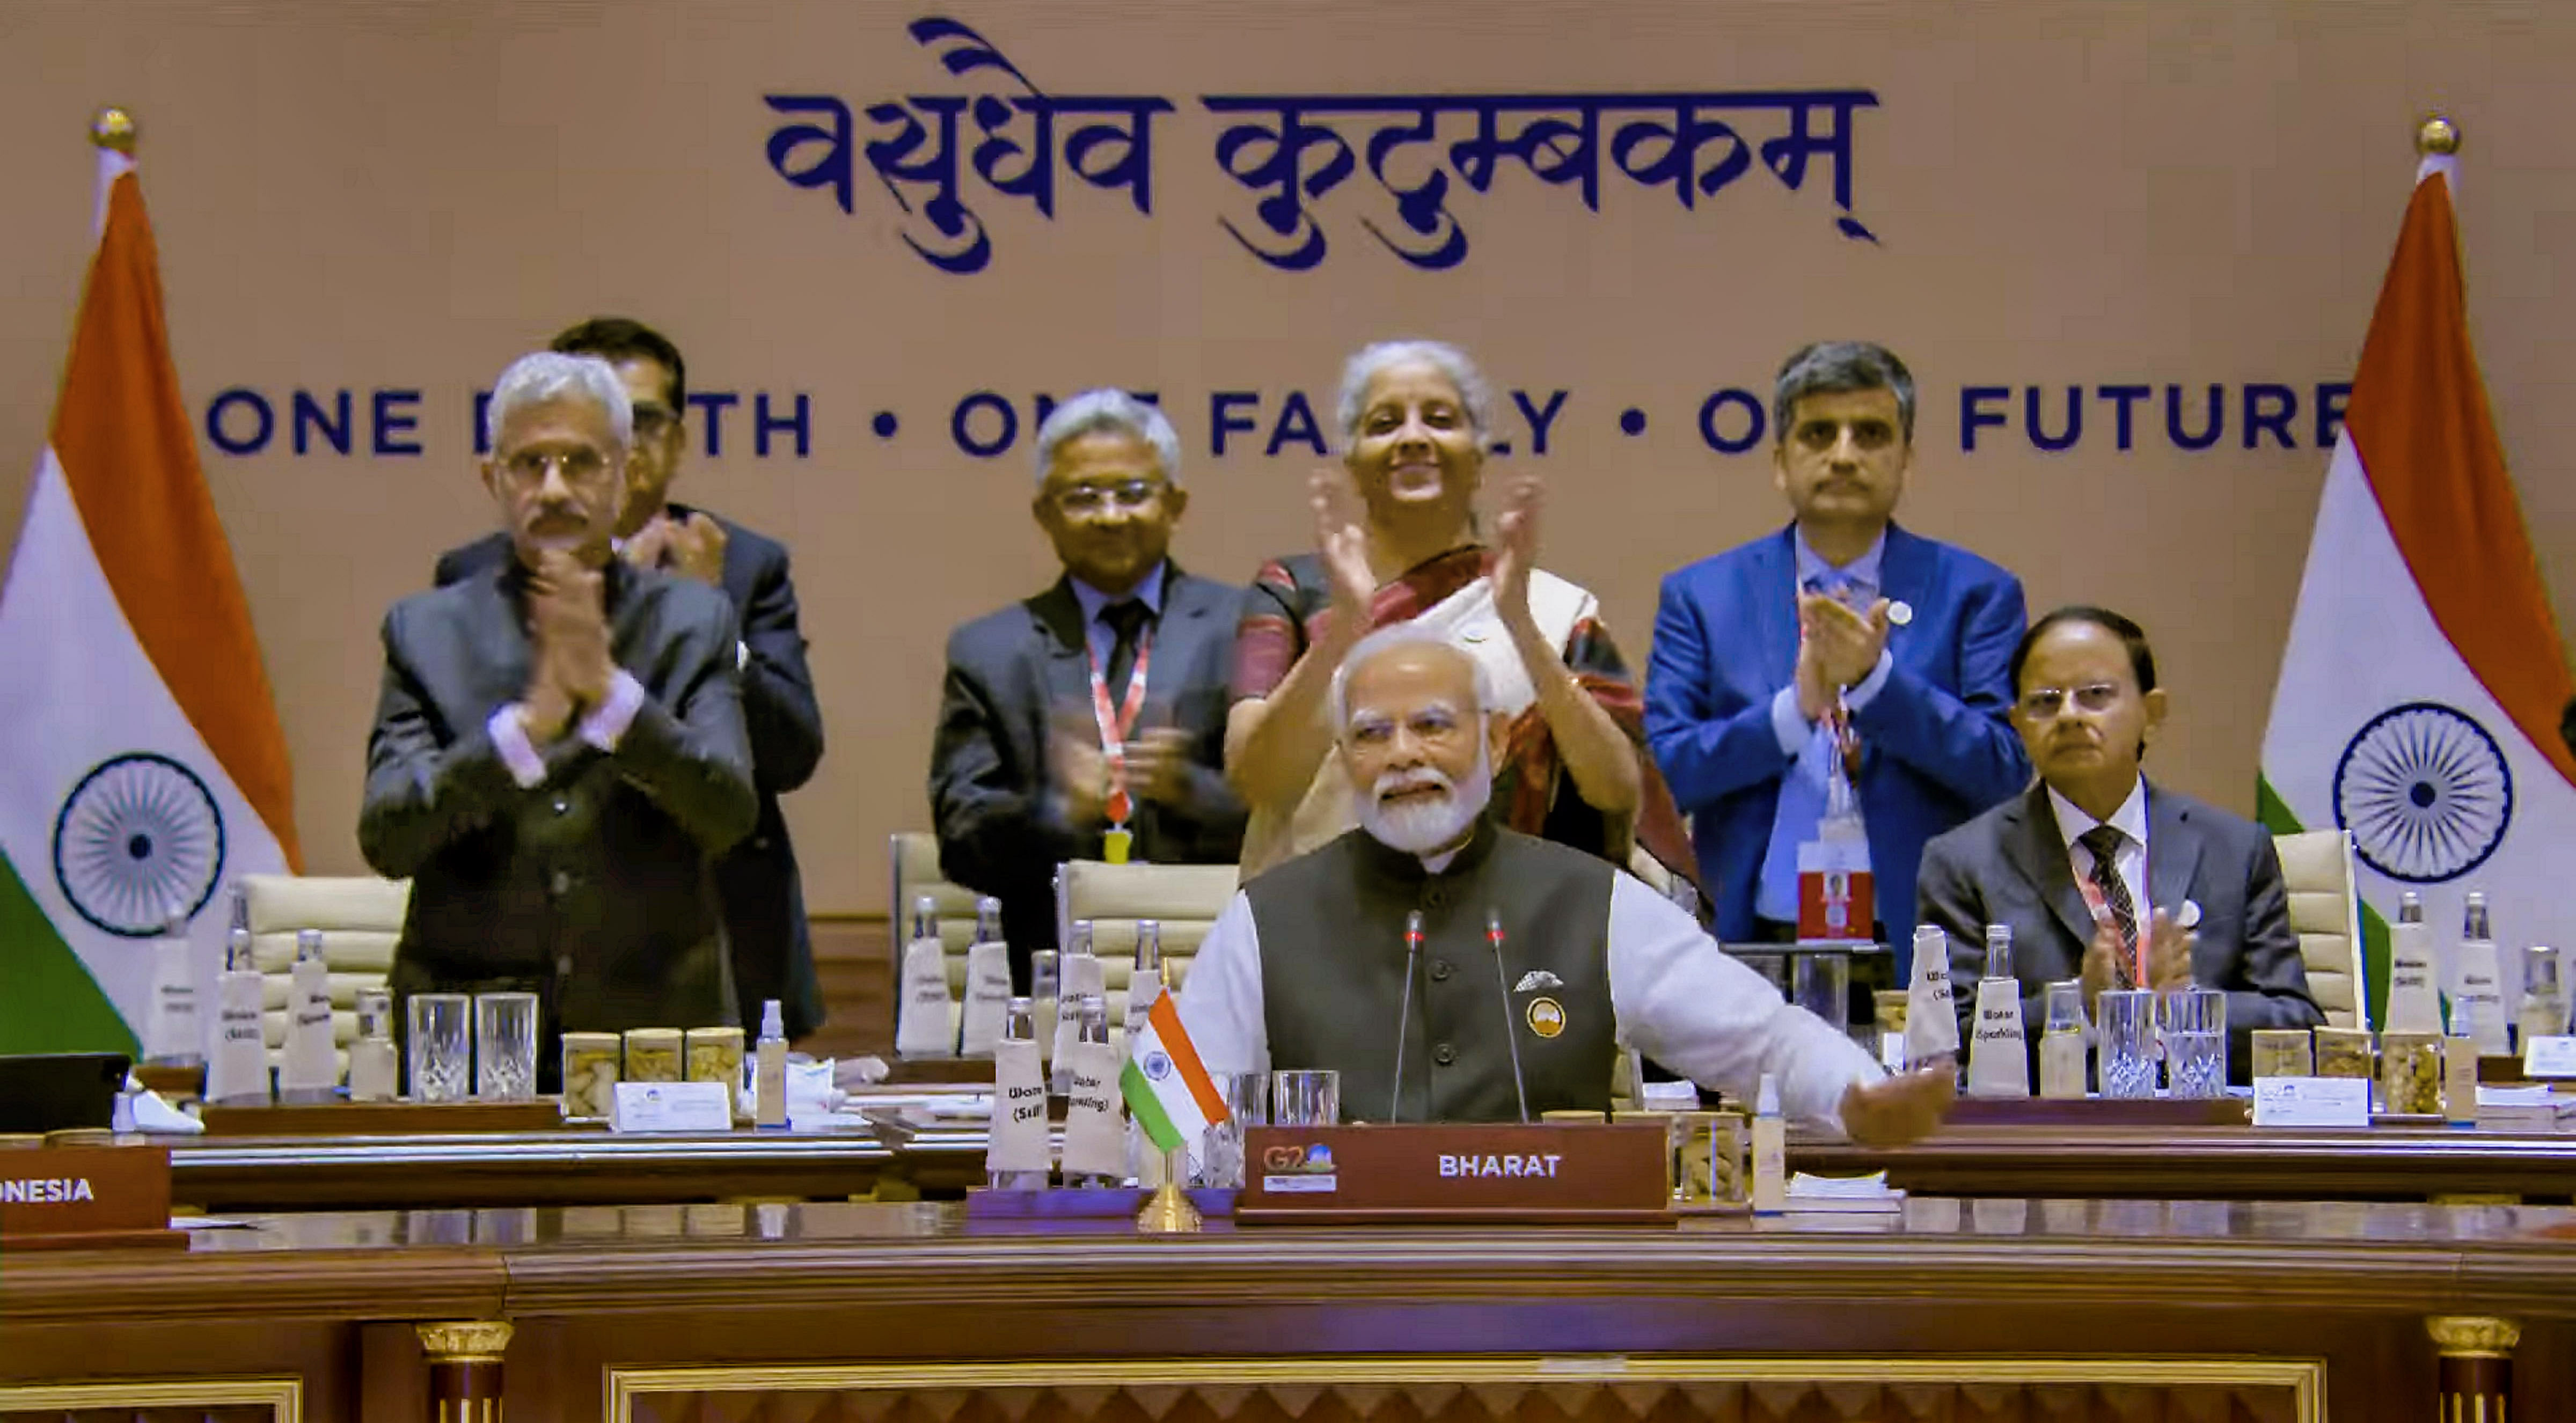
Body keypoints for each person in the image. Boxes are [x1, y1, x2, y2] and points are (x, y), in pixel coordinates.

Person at [1179, 625, 1952, 1140]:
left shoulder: (1594, 900)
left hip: (1550, 1283)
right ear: (1345, 761)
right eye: (1373, 735)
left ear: (1495, 738)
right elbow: (1171, 1094)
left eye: (1434, 726)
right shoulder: (1268, 916)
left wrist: (1857, 1097)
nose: (1403, 754)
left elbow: (1761, 1040)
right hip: (1330, 1290)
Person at [362, 352, 756, 1076]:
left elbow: (729, 811)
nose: (554, 488)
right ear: (493, 478)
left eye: (581, 462)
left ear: (626, 471)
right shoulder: (423, 632)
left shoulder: (694, 621)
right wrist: (522, 733)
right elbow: (389, 837)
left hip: (657, 1039)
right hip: (470, 1042)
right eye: (529, 464)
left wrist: (613, 702)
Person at [433, 318, 826, 1040]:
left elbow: (792, 752)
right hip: (531, 941)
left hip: (714, 943)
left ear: (677, 439)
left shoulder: (742, 566)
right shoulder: (473, 578)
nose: (623, 434)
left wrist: (712, 623)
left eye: (642, 418)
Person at [1227, 339, 1694, 885]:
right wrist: (1344, 631)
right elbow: (1257, 779)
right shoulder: (1294, 590)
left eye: (1440, 419)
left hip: (1506, 931)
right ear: (1353, 463)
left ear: (1477, 457)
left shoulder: (1550, 610)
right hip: (1322, 926)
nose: (1413, 438)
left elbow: (1617, 790)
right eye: (1384, 424)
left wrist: (1520, 627)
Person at [1645, 341, 2030, 975]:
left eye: (1871, 434)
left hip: (1919, 944)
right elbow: (1666, 777)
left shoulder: (1977, 592)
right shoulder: (1702, 596)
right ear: (1780, 462)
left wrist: (1877, 685)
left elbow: (2005, 770)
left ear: (1906, 462)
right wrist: (1794, 712)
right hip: (1752, 943)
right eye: (1819, 433)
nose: (1844, 454)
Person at [1916, 606, 2323, 1082]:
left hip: (2202, 1140)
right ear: (2019, 725)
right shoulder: (1963, 862)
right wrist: (2080, 1006)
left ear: (2152, 714)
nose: (2068, 715)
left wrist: (2183, 1010)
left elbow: (2299, 1029)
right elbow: (1948, 1045)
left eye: (2094, 696)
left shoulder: (2233, 850)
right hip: (2048, 1145)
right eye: (2045, 702)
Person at [931, 391, 1247, 978]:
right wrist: (1057, 811)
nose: (1109, 516)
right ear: (1044, 513)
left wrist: (1191, 791)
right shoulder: (989, 652)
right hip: (1051, 973)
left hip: (1217, 966)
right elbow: (961, 841)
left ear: (1176, 504)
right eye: (1082, 497)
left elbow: (1299, 820)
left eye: (1133, 493)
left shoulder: (1247, 627)